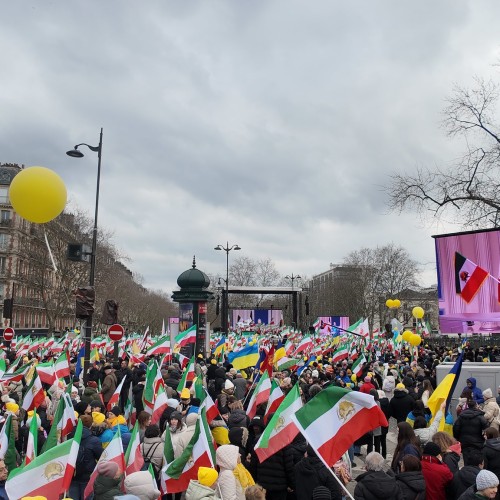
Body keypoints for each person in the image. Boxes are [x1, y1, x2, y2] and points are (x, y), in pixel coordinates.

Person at [69, 415, 104, 499]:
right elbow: (101, 457)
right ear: (91, 425)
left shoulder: (69, 437)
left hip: (71, 475)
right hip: (87, 476)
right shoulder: (94, 440)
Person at [453, 399, 488, 465]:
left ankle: (467, 471)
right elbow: (486, 428)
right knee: (477, 461)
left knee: (466, 460)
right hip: (478, 443)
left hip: (465, 442)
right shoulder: (480, 416)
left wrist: (458, 438)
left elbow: (456, 428)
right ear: (476, 406)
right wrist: (483, 437)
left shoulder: (461, 416)